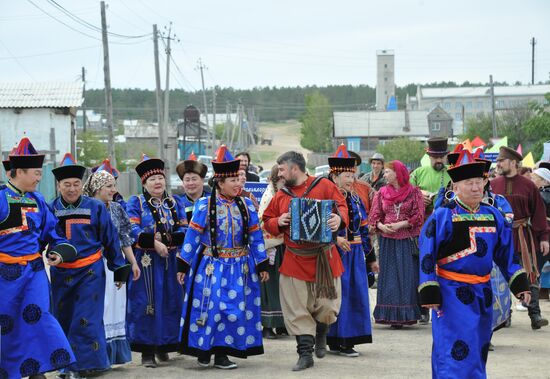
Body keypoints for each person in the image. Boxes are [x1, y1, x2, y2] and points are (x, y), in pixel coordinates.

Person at [418, 149, 531, 379]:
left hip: (483, 292)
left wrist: (519, 283)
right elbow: (427, 253)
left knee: (479, 345)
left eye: (479, 182)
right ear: (456, 186)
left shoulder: (493, 215)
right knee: (456, 348)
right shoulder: (443, 215)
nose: (476, 187)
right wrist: (429, 287)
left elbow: (505, 253)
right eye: (469, 183)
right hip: (451, 293)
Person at [176, 145, 269, 370]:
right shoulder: (204, 205)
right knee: (211, 308)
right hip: (211, 266)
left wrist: (261, 263)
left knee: (233, 311)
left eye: (239, 180)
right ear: (220, 183)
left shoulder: (247, 205)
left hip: (240, 266)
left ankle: (222, 353)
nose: (239, 184)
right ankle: (205, 349)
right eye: (233, 181)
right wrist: (183, 265)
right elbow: (192, 236)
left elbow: (256, 237)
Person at [0, 137, 78, 379]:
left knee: (39, 317)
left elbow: (52, 233)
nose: (39, 178)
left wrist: (57, 251)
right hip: (4, 276)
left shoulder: (38, 201)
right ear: (18, 172)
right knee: (6, 324)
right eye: (35, 173)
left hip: (34, 272)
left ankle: (37, 369)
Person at [262, 151, 348, 371]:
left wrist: (339, 219)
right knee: (297, 309)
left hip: (324, 259)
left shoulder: (324, 186)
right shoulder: (282, 195)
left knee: (328, 307)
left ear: (294, 168)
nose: (279, 173)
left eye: (282, 169)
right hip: (294, 260)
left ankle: (321, 331)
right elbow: (267, 220)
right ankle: (305, 354)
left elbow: (342, 207)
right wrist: (279, 221)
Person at [49, 153, 130, 378]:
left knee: (85, 319)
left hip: (90, 272)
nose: (72, 189)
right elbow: (44, 237)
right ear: (59, 185)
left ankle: (81, 367)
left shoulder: (95, 207)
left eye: (76, 184)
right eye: (67, 185)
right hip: (61, 273)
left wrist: (118, 268)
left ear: (81, 185)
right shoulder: (50, 208)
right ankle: (66, 364)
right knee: (63, 318)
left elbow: (110, 238)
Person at [125, 155, 187, 367]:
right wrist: (154, 242)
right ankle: (147, 352)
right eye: (152, 180)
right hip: (146, 262)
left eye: (160, 177)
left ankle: (164, 345)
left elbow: (184, 230)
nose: (158, 182)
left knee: (170, 301)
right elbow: (132, 231)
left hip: (170, 261)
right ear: (144, 183)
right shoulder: (135, 203)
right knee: (147, 303)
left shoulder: (174, 202)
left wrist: (165, 239)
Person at [82, 169, 141, 366]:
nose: (114, 190)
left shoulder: (116, 209)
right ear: (97, 188)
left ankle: (114, 355)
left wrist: (132, 263)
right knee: (100, 307)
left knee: (116, 306)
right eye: (109, 186)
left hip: (116, 264)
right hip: (93, 263)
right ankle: (96, 355)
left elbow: (124, 238)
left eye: (114, 186)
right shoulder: (85, 208)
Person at [326, 145, 378, 357]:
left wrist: (371, 258)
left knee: (355, 296)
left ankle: (349, 338)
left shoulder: (355, 199)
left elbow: (363, 228)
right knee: (338, 295)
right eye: (347, 175)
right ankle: (334, 338)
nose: (351, 179)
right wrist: (335, 239)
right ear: (334, 176)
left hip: (355, 254)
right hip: (336, 254)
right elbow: (320, 226)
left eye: (352, 175)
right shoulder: (327, 200)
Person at [492, 146, 549, 330]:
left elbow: (539, 214)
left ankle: (535, 314)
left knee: (530, 273)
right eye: (498, 161)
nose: (498, 164)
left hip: (523, 236)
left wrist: (544, 237)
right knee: (500, 275)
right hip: (500, 237)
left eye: (502, 160)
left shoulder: (529, 186)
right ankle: (504, 316)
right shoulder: (492, 185)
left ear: (513, 163)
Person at [369, 160, 424, 328]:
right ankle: (390, 316)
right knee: (389, 277)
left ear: (398, 173)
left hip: (406, 240)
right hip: (387, 241)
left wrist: (401, 224)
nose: (384, 175)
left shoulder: (414, 192)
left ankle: (406, 315)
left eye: (387, 172)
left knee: (406, 276)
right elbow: (374, 216)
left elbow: (419, 215)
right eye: (384, 172)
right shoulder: (382, 192)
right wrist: (381, 226)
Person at [410, 137, 451, 324]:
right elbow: (407, 194)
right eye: (435, 157)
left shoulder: (453, 173)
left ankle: (445, 305)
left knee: (443, 264)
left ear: (446, 156)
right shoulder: (418, 172)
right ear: (429, 156)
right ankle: (423, 308)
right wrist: (420, 198)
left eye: (441, 157)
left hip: (447, 227)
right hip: (423, 225)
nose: (438, 161)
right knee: (423, 264)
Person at [258, 165, 286, 339]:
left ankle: (281, 323)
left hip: (283, 245)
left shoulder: (282, 194)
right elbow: (263, 221)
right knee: (269, 285)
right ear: (276, 179)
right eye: (282, 179)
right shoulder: (269, 197)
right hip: (271, 246)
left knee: (282, 286)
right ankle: (267, 325)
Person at [174, 152, 211, 223]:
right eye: (187, 180)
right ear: (183, 183)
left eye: (194, 179)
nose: (191, 183)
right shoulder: (177, 203)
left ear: (202, 180)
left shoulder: (212, 200)